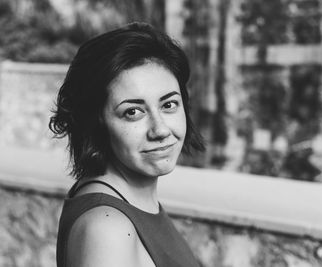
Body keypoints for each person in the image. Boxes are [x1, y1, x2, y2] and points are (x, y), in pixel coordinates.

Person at [49, 22, 205, 267]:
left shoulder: (132, 202)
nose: (160, 129)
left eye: (168, 105)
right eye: (133, 112)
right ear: (96, 122)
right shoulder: (108, 228)